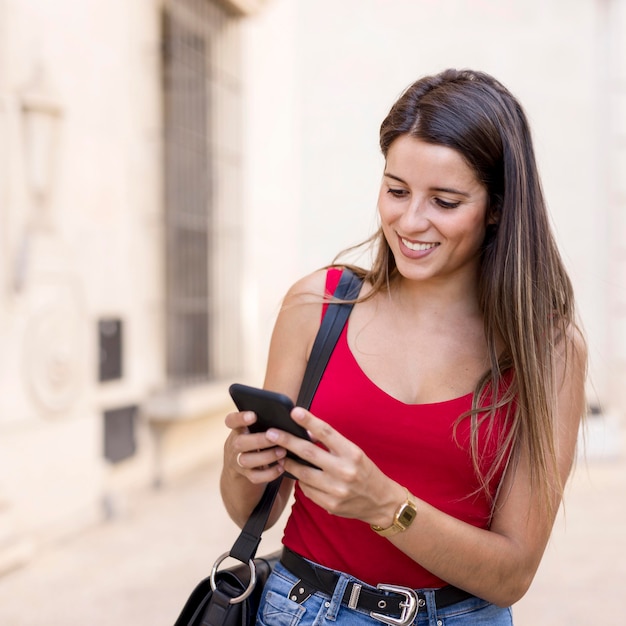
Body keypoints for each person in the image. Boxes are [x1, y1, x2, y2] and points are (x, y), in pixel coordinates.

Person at [220, 68, 587, 626]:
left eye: (444, 200)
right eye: (396, 190)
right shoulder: (315, 306)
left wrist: (387, 506)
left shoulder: (549, 351)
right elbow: (255, 513)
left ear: (496, 206)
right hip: (301, 611)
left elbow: (512, 575)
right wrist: (241, 465)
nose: (409, 221)